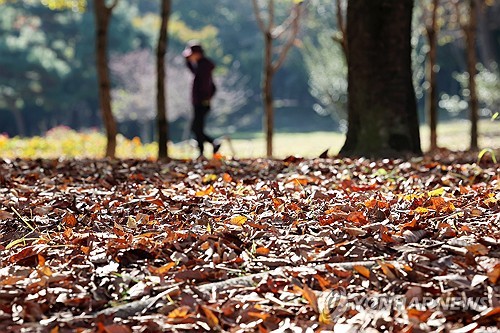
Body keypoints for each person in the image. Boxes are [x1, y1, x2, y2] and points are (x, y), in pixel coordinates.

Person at [182, 41, 221, 158]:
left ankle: (210, 145)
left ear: (198, 54)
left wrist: (205, 98)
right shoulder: (200, 66)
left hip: (202, 103)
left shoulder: (204, 67)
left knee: (196, 128)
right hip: (199, 102)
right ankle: (208, 147)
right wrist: (187, 60)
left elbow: (207, 86)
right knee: (197, 128)